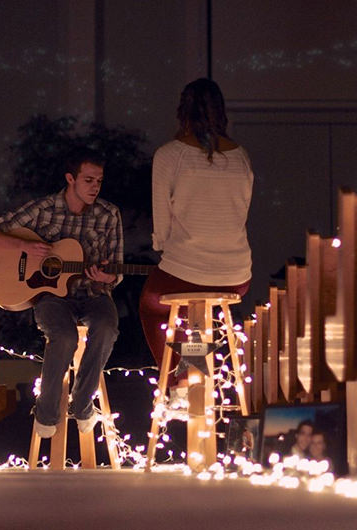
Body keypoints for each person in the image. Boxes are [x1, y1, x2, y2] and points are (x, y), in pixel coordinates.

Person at [0, 148, 123, 439]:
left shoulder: (108, 214)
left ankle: (82, 404)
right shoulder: (43, 209)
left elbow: (114, 267)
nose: (95, 187)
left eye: (99, 181)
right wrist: (24, 247)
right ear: (70, 179)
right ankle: (46, 412)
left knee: (107, 327)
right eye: (88, 180)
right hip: (50, 297)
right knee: (64, 336)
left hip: (93, 293)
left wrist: (109, 276)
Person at [139, 78, 253, 403]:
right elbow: (241, 212)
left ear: (182, 110)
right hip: (237, 275)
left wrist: (166, 246)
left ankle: (176, 382)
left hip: (186, 270)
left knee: (152, 307)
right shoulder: (241, 156)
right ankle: (193, 375)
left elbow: (161, 229)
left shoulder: (169, 154)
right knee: (195, 313)